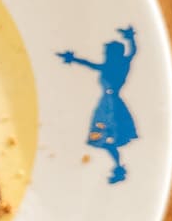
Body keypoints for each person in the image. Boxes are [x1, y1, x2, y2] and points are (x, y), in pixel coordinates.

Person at [57, 26, 137, 183]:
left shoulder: (118, 66)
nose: (105, 55)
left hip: (112, 106)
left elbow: (132, 52)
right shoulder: (111, 66)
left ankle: (118, 167)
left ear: (114, 53)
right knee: (107, 139)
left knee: (109, 138)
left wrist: (130, 37)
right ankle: (118, 166)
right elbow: (89, 64)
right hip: (107, 104)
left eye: (107, 53)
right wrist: (73, 59)